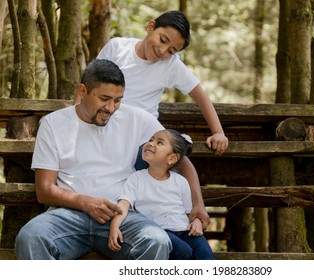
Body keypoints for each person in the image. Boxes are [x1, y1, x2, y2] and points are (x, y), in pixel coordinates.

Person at [14, 59, 207, 260]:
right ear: (83, 91)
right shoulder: (54, 123)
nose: (111, 107)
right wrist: (85, 202)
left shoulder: (136, 118)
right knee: (30, 236)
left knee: (156, 240)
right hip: (67, 215)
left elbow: (180, 159)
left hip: (121, 216)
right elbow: (44, 191)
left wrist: (198, 205)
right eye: (104, 98)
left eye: (118, 100)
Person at [75, 10, 228, 155]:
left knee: (179, 160)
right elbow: (88, 83)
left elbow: (201, 97)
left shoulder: (171, 65)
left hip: (143, 136)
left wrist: (218, 133)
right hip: (105, 127)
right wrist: (75, 121)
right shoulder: (118, 48)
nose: (162, 51)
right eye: (163, 40)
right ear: (151, 27)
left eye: (171, 51)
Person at [108, 129, 214, 260]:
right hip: (161, 231)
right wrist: (114, 226)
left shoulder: (180, 181)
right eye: (151, 140)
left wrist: (197, 222)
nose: (150, 143)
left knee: (205, 253)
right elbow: (123, 205)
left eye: (159, 142)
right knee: (183, 251)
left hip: (186, 230)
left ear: (172, 158)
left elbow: (189, 213)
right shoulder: (136, 179)